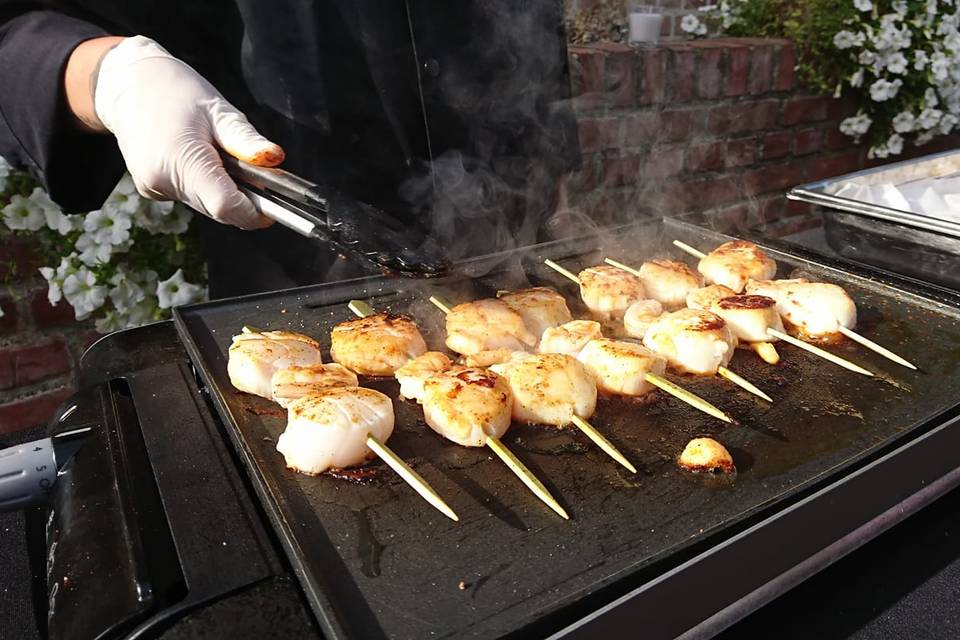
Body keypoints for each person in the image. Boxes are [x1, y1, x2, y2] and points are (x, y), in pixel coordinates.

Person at [0, 2, 579, 296]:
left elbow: (532, 28)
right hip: (293, 266)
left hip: (516, 234)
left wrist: (556, 167)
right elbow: (19, 31)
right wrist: (115, 77)